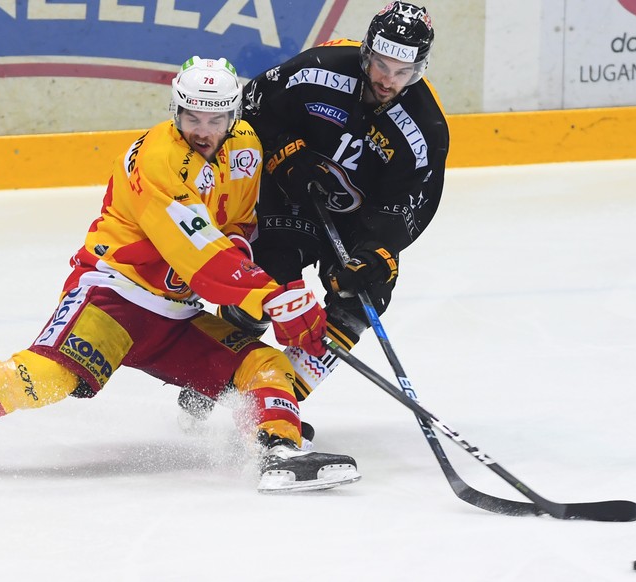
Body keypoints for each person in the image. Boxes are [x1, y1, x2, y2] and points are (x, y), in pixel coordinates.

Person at [0, 56, 360, 493]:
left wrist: (265, 282)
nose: (202, 129)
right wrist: (268, 299)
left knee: (266, 368)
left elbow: (235, 229)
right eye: (191, 115)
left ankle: (277, 452)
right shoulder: (158, 159)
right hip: (114, 298)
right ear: (175, 109)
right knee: (47, 377)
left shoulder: (246, 147)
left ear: (235, 115)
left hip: (176, 317)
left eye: (216, 117)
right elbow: (199, 254)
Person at [178, 2, 449, 441]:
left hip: (358, 224)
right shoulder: (318, 69)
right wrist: (286, 150)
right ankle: (215, 373)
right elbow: (251, 108)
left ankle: (276, 399)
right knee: (267, 278)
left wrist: (377, 251)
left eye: (402, 70)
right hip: (288, 201)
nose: (387, 79)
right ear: (367, 51)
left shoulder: (425, 127)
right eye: (381, 63)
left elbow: (412, 204)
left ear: (419, 68)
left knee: (363, 298)